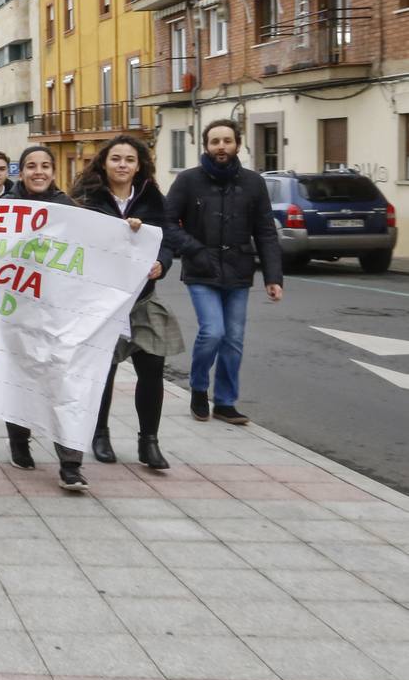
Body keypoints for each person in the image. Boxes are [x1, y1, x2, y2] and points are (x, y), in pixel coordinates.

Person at [71, 135, 182, 470]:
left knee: (152, 367)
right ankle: (100, 435)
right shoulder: (87, 199)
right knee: (105, 370)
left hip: (143, 298)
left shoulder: (152, 199)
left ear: (139, 165)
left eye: (129, 160)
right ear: (104, 163)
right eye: (116, 158)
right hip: (102, 301)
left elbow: (166, 240)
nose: (122, 165)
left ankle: (149, 441)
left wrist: (162, 263)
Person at [165, 119, 283, 425]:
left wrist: (273, 277)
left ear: (237, 144)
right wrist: (194, 249)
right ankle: (199, 388)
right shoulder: (188, 181)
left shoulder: (253, 182)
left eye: (227, 141)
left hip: (239, 271)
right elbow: (167, 222)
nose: (221, 146)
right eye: (215, 141)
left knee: (234, 339)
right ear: (205, 146)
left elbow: (266, 232)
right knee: (213, 331)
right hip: (201, 270)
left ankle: (226, 402)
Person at [6, 145, 90, 490]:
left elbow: (95, 247)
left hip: (59, 313)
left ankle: (70, 463)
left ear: (54, 172)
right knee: (21, 376)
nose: (38, 172)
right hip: (15, 310)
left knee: (65, 381)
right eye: (30, 166)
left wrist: (130, 234)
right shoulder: (4, 210)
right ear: (21, 171)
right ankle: (19, 439)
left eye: (44, 166)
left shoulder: (69, 210)